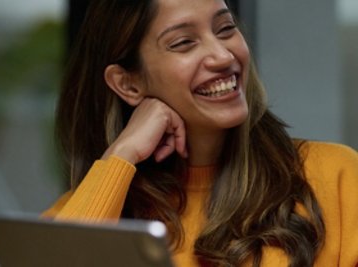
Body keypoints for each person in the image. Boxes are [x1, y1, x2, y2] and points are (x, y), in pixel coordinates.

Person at [42, 0, 358, 266]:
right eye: (183, 43)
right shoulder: (88, 208)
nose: (223, 56)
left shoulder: (337, 176)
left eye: (225, 29)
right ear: (128, 84)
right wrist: (122, 153)